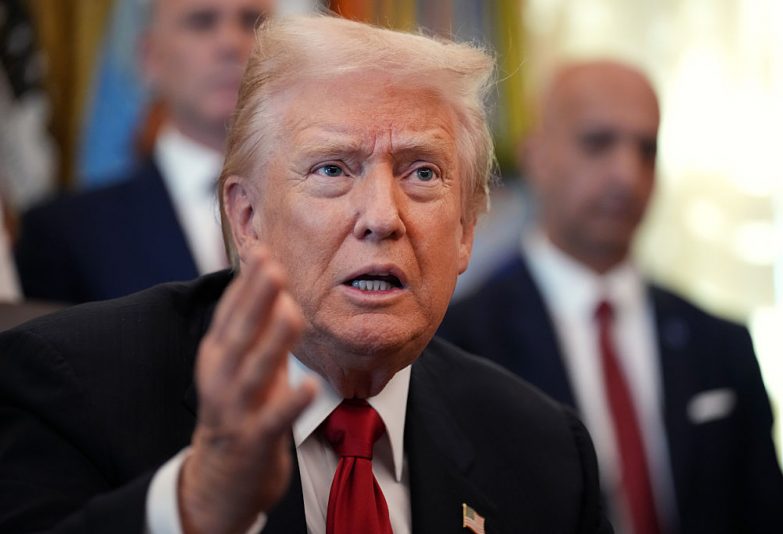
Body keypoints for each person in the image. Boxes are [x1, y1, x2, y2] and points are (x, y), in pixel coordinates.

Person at [0, 15, 611, 533]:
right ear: (246, 218)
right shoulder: (68, 386)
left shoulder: (545, 452)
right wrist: (194, 507)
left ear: (465, 232)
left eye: (422, 173)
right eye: (331, 169)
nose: (381, 217)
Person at [439, 61, 783, 533]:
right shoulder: (460, 341)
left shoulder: (719, 344)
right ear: (536, 155)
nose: (627, 175)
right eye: (598, 142)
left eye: (646, 149)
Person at [14, 0, 273, 304]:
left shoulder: (327, 202)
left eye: (251, 22)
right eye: (201, 22)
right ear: (150, 57)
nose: (231, 43)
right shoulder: (65, 233)